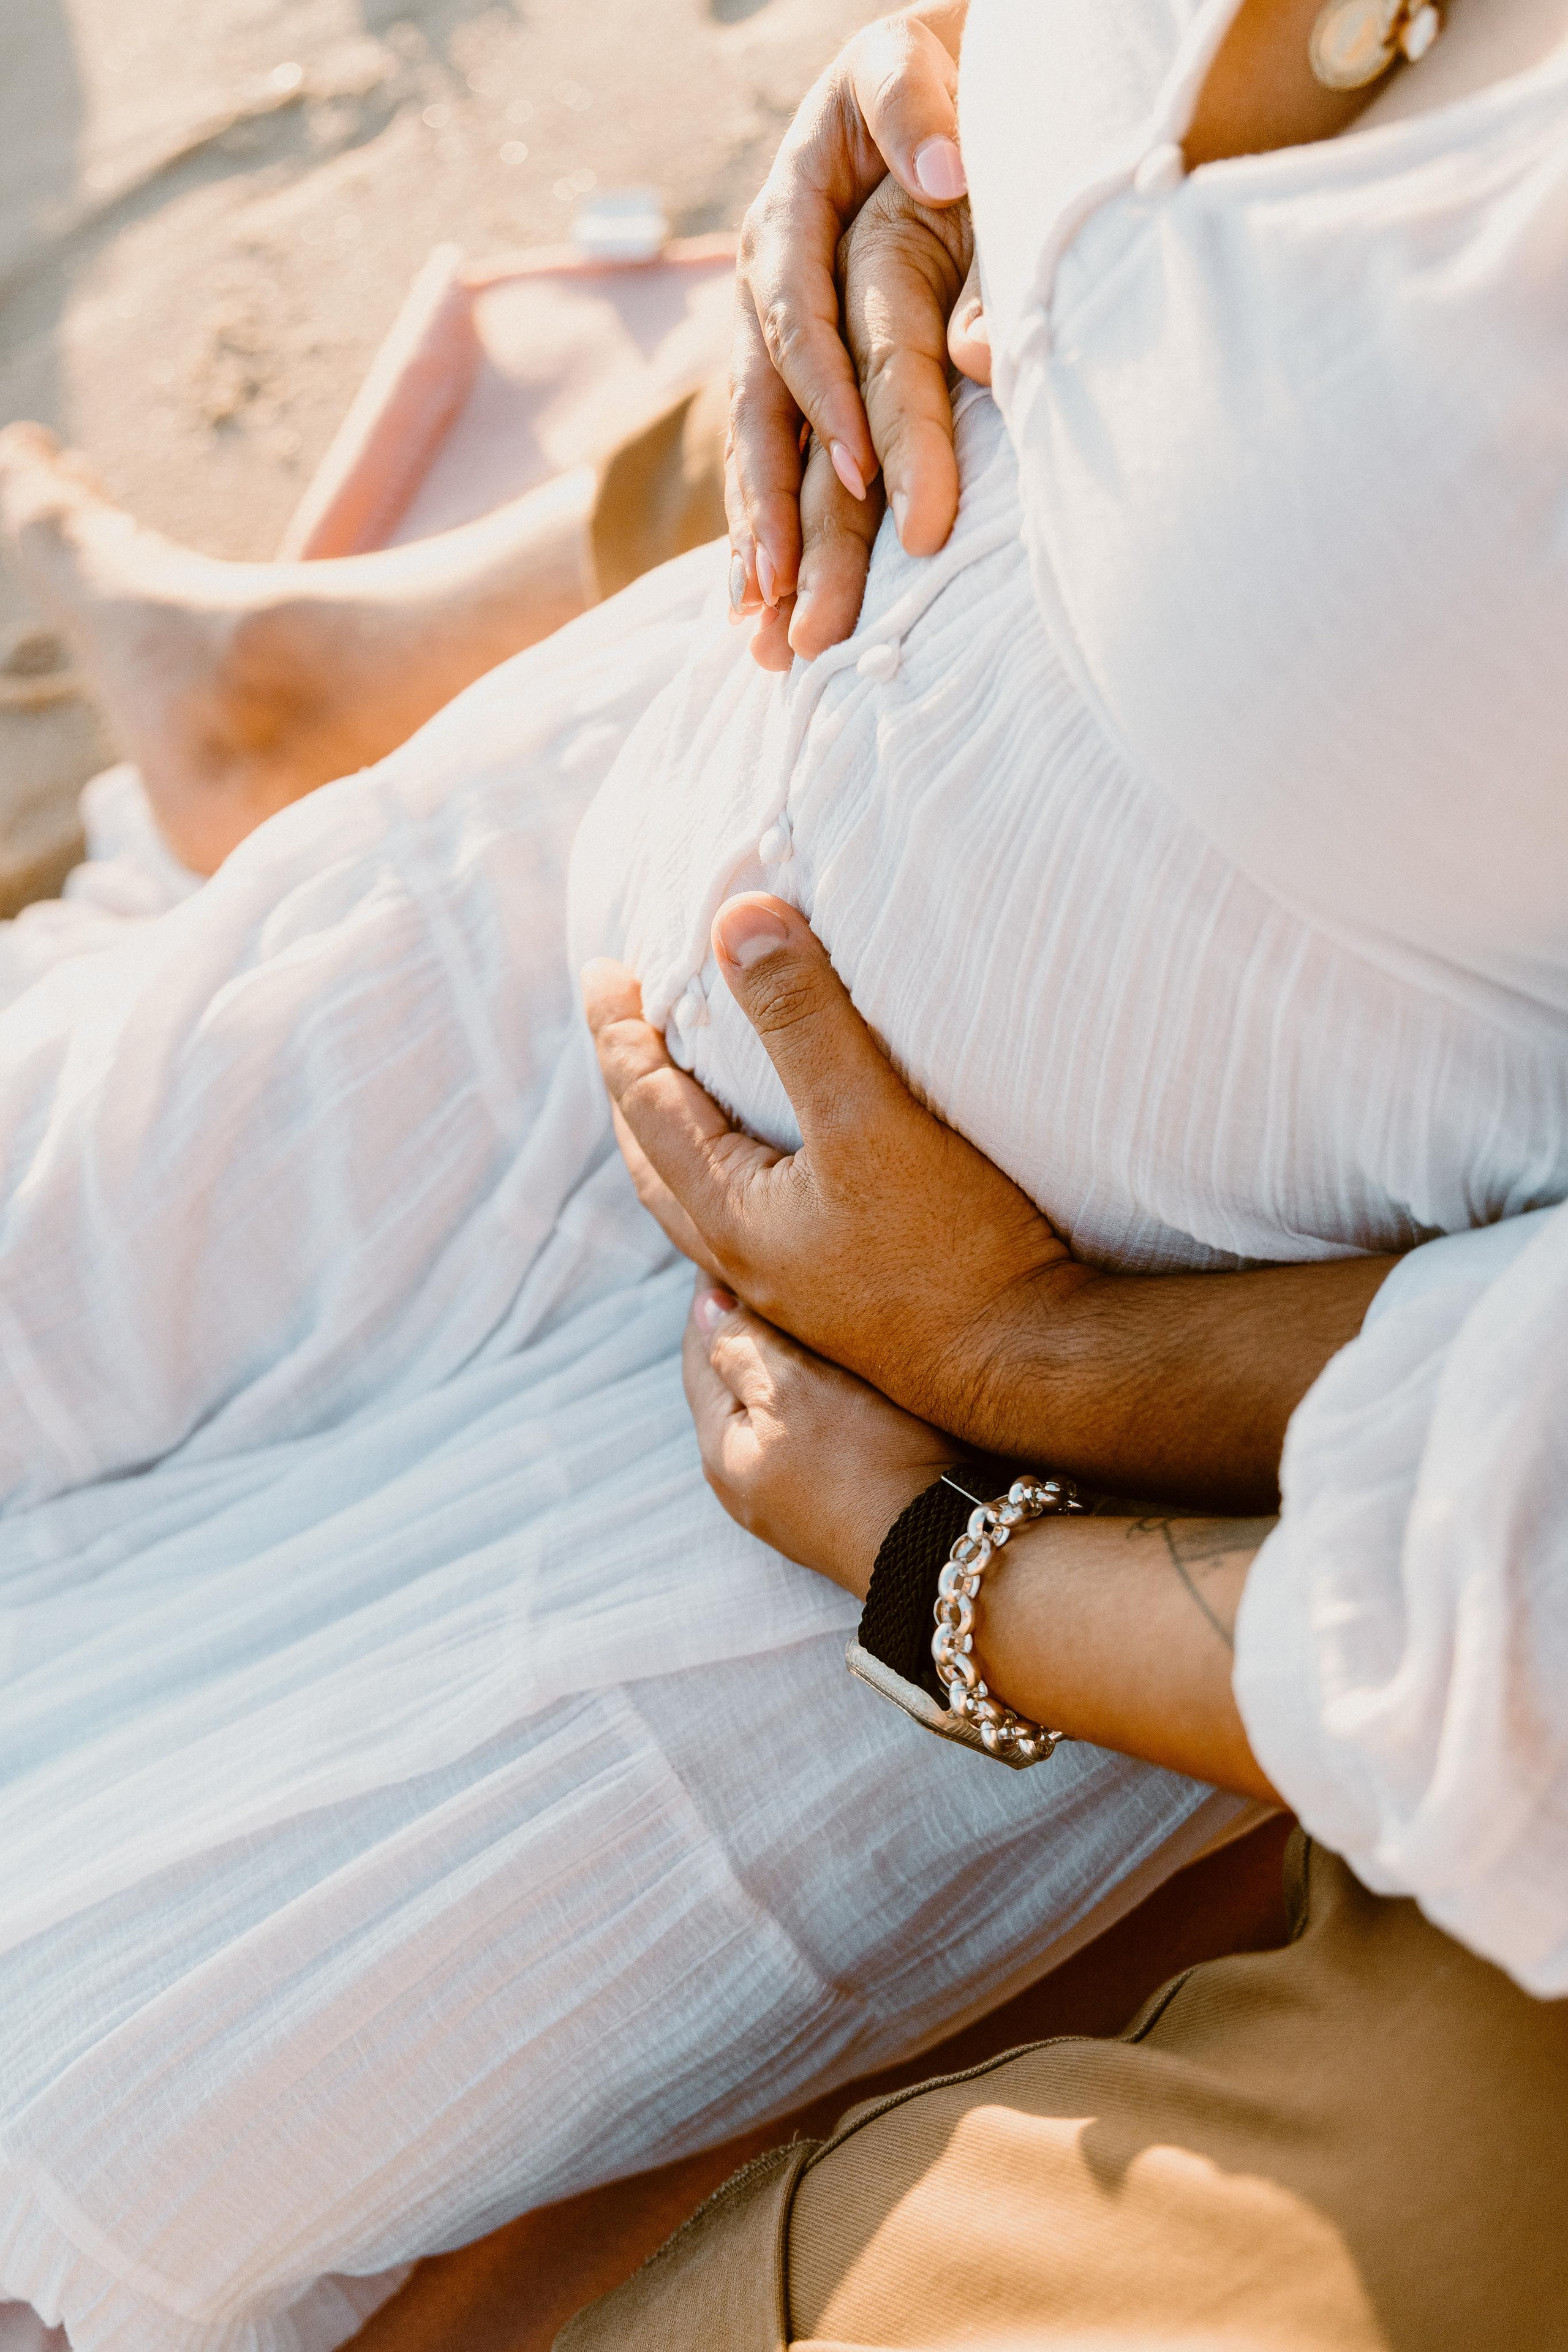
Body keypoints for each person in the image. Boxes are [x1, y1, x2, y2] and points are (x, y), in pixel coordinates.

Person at [1, 2, 1566, 2349]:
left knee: (72, 2122)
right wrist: (940, 100)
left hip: (873, 1451)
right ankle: (312, 697)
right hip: (565, 867)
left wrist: (1013, 1398)